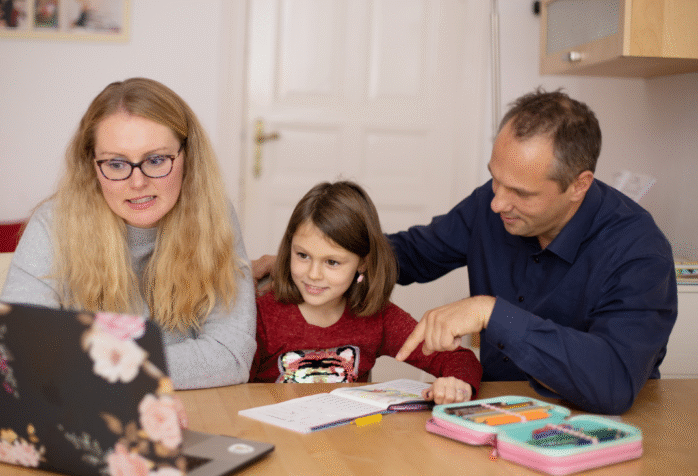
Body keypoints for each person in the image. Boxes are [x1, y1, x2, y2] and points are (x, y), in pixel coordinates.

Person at [254, 89, 678, 414]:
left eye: (520, 193)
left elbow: (614, 383)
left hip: (590, 423)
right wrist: (331, 257)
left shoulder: (639, 252)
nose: (497, 204)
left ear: (579, 186)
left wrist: (494, 313)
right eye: (495, 179)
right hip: (491, 412)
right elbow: (411, 253)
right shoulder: (491, 206)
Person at [0, 77, 256, 389]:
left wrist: (85, 364)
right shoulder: (52, 225)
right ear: (91, 165)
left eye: (157, 159)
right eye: (117, 164)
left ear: (188, 157)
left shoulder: (215, 217)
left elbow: (230, 356)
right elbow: (19, 351)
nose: (137, 183)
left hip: (193, 409)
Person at [250, 181, 482, 404]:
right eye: (303, 255)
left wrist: (456, 385)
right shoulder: (262, 316)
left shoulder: (378, 318)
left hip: (349, 441)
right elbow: (233, 389)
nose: (313, 274)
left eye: (332, 262)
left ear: (362, 263)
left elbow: (459, 358)